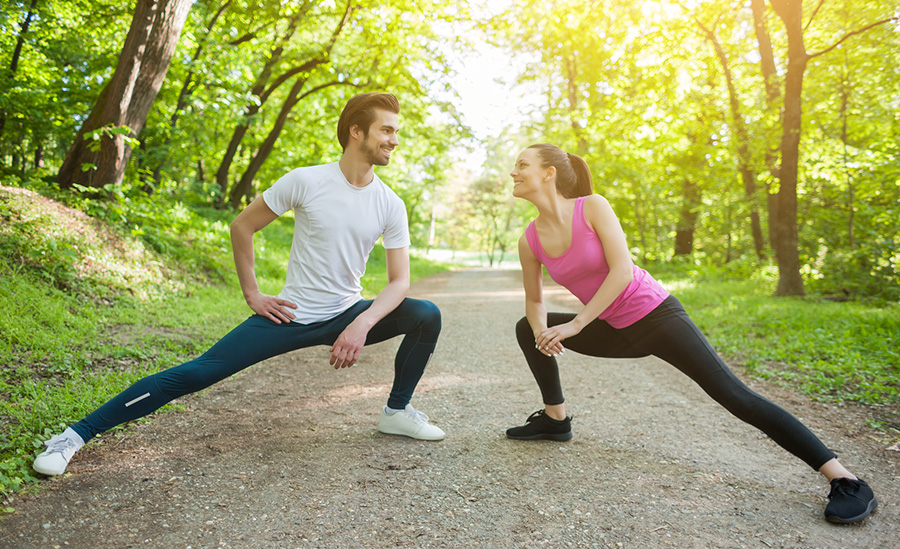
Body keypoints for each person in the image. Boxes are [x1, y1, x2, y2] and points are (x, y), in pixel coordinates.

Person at [33, 92, 446, 477]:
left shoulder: (390, 203)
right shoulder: (306, 180)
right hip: (292, 314)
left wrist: (362, 323)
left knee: (426, 314)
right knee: (195, 375)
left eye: (396, 132)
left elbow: (400, 281)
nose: (394, 140)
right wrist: (253, 294)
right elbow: (242, 226)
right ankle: (72, 437)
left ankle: (396, 412)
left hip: (347, 311)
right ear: (357, 131)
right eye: (387, 130)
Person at [504, 143, 877, 524]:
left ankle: (845, 478)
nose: (514, 172)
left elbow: (622, 271)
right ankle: (555, 419)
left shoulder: (592, 207)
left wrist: (576, 324)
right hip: (616, 329)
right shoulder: (529, 239)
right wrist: (543, 332)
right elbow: (534, 302)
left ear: (549, 173)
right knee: (526, 327)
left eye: (522, 165)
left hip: (657, 317)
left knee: (735, 395)